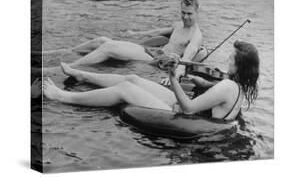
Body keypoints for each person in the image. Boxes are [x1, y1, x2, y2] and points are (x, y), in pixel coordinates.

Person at [43, 41, 259, 120]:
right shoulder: (236, 86)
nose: (227, 60)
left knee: (125, 89)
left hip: (183, 115)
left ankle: (63, 96)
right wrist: (203, 84)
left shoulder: (229, 86)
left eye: (231, 59)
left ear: (240, 65)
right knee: (133, 77)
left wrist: (173, 77)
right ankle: (82, 74)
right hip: (183, 109)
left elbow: (190, 108)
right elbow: (219, 95)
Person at [42, 0, 205, 85]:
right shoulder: (179, 24)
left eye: (189, 14)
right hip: (153, 52)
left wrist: (174, 78)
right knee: (101, 40)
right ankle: (58, 52)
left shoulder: (195, 36)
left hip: (157, 62)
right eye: (183, 12)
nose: (185, 16)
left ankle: (63, 68)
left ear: (197, 12)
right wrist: (136, 33)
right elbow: (159, 31)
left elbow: (186, 59)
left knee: (109, 46)